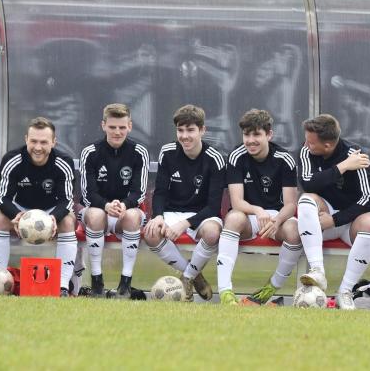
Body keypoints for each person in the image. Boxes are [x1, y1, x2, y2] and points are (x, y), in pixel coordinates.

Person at [216, 109, 302, 306]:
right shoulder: (236, 156)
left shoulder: (284, 158)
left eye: (257, 134)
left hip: (276, 218)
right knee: (233, 218)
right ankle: (225, 292)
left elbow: (290, 204)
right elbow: (237, 202)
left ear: (269, 135)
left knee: (295, 231)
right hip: (249, 214)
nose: (251, 140)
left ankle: (270, 288)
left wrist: (277, 220)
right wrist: (257, 210)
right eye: (247, 134)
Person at [297, 114, 370, 310]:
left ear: (327, 145)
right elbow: (308, 183)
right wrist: (343, 166)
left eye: (311, 142)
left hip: (349, 222)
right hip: (320, 221)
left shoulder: (356, 154)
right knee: (306, 200)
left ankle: (345, 291)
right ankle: (317, 270)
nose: (306, 145)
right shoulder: (306, 150)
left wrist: (335, 220)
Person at [143, 105, 225, 302]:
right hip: (173, 212)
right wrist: (158, 216)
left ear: (202, 130)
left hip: (203, 214)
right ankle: (194, 274)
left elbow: (213, 206)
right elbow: (160, 191)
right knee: (151, 233)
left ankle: (187, 278)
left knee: (213, 233)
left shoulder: (215, 158)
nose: (185, 136)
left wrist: (185, 224)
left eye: (191, 130)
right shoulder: (168, 152)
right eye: (180, 130)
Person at [0, 117, 78, 297]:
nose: (38, 147)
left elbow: (66, 201)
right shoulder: (12, 159)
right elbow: (3, 198)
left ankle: (62, 286)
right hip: (21, 210)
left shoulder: (64, 162)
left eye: (44, 142)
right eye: (33, 141)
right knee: (0, 217)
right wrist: (17, 215)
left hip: (51, 210)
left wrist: (54, 217)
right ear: (26, 140)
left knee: (69, 221)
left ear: (54, 142)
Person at [79, 103, 149, 297]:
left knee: (134, 216)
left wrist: (124, 205)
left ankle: (125, 284)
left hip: (124, 212)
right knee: (94, 214)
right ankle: (97, 282)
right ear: (103, 126)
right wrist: (106, 205)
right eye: (112, 127)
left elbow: (139, 193)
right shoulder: (90, 152)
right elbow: (87, 194)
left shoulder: (139, 152)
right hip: (98, 210)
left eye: (122, 127)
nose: (117, 132)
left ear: (130, 126)